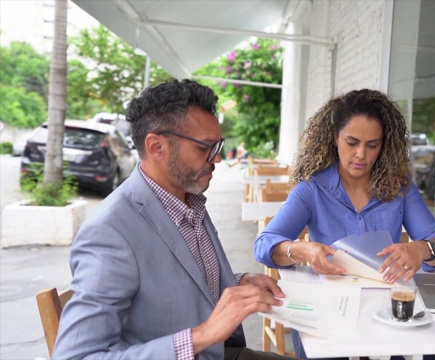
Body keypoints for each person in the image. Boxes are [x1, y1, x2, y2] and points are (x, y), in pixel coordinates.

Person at [53, 79, 293, 360]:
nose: (215, 159)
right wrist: (204, 334)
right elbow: (75, 356)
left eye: (218, 146)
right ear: (156, 147)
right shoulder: (110, 231)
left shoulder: (187, 198)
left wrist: (238, 282)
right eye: (205, 148)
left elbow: (180, 279)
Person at [254, 89, 435, 359]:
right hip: (329, 310)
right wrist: (302, 250)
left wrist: (421, 249)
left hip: (386, 310)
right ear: (335, 137)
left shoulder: (401, 189)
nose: (361, 154)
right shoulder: (311, 190)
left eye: (373, 145)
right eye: (352, 142)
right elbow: (264, 244)